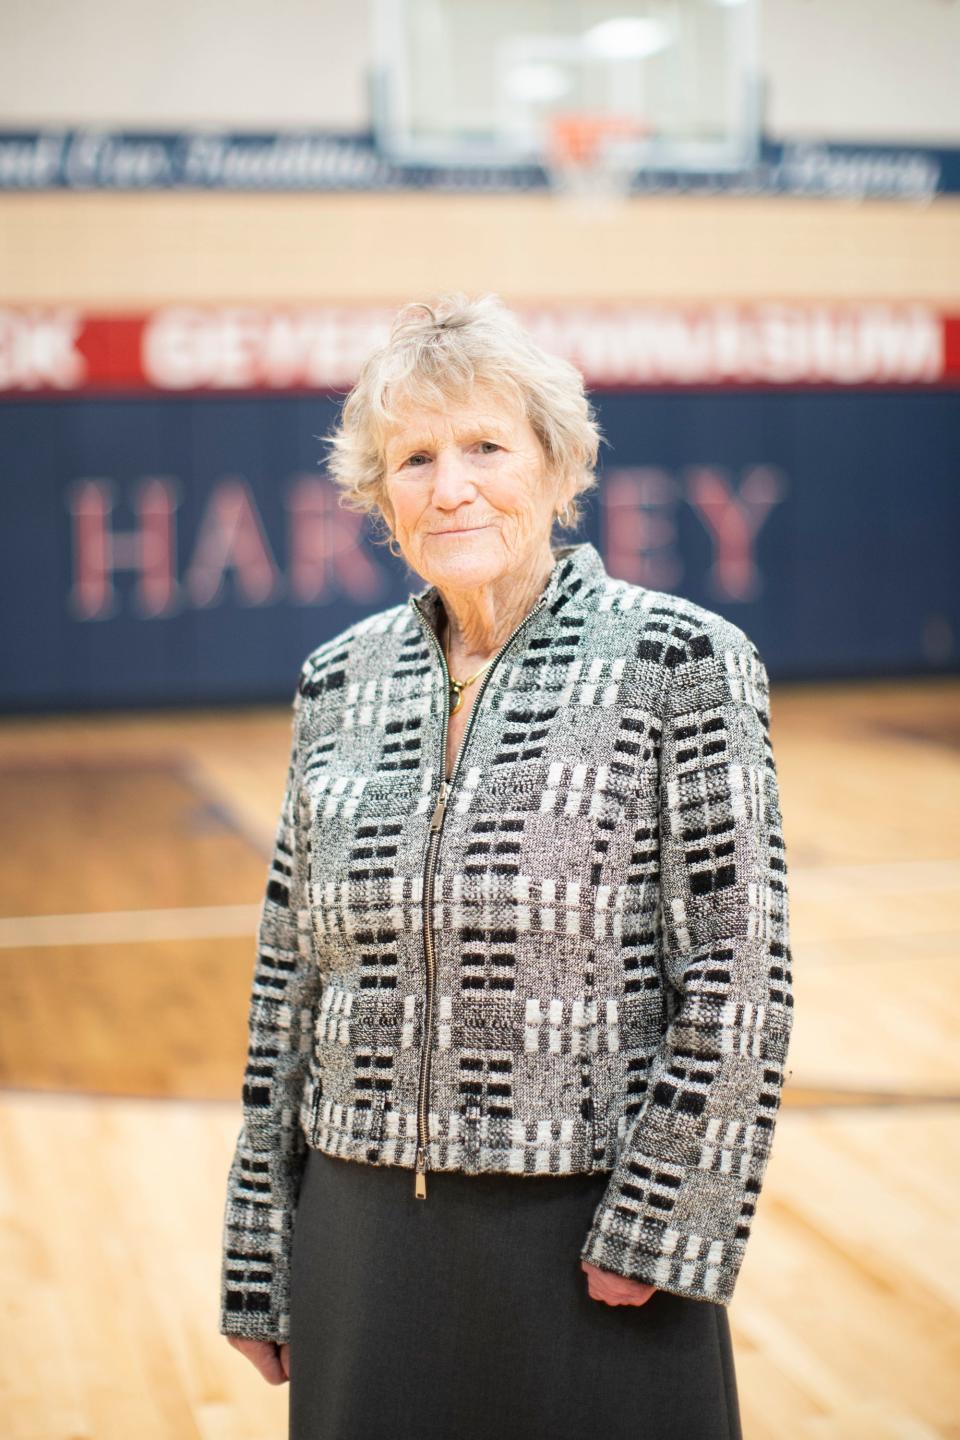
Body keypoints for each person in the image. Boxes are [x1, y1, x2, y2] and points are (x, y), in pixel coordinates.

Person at [218, 293, 794, 1440]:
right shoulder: (336, 680)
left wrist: (662, 1220)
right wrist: (259, 1250)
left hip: (587, 1240)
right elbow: (289, 985)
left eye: (485, 446)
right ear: (380, 497)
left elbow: (741, 973)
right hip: (361, 1234)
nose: (451, 485)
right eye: (414, 458)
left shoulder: (680, 658)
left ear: (556, 463)